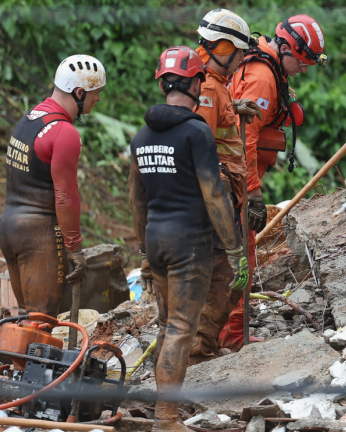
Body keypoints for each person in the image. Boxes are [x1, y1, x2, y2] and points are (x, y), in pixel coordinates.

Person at [128, 46, 244, 432]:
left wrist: (145, 251)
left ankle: (163, 408)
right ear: (195, 82)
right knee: (181, 330)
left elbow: (136, 199)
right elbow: (214, 194)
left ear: (163, 83)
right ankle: (166, 418)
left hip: (157, 240)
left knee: (166, 327)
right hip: (189, 244)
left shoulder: (141, 137)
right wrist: (234, 245)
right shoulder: (197, 131)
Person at [220, 14, 328, 350]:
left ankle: (224, 332)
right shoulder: (263, 77)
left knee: (234, 257)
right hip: (231, 180)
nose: (305, 68)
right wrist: (251, 192)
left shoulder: (265, 68)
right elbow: (245, 138)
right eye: (303, 61)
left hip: (228, 176)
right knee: (242, 257)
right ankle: (234, 338)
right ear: (285, 48)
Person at [0, 54, 105, 316]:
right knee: (40, 324)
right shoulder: (64, 132)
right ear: (79, 92)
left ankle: (15, 359)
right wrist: (75, 248)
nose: (98, 99)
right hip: (38, 236)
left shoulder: (30, 119)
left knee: (26, 318)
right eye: (95, 93)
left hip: (9, 228)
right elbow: (65, 196)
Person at [185, 8, 262, 366]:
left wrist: (235, 107)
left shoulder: (215, 85)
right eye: (240, 52)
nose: (243, 60)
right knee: (228, 275)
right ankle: (200, 351)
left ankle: (204, 346)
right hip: (215, 201)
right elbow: (202, 149)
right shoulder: (208, 90)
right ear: (222, 46)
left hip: (223, 197)